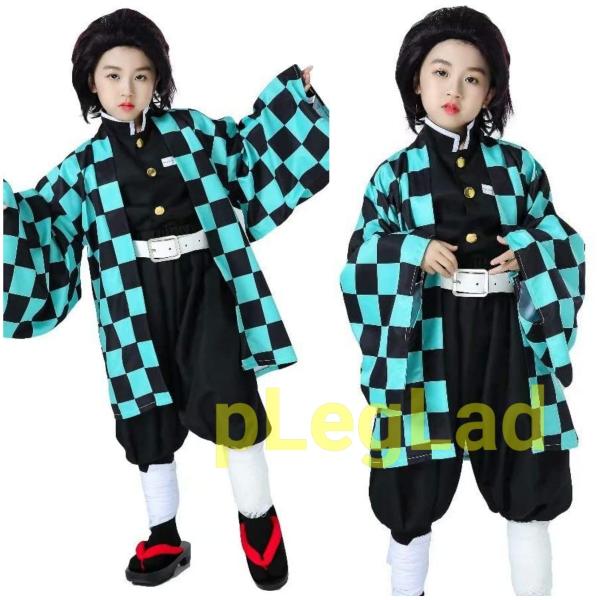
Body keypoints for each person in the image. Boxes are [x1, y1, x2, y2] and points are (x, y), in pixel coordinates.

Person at [3, 8, 329, 589]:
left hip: (204, 287)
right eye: (112, 75)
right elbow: (41, 223)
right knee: (144, 412)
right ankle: (164, 533)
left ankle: (259, 522)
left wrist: (293, 100)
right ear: (90, 81)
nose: (127, 88)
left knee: (231, 398)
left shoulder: (193, 132)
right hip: (131, 301)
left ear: (158, 79)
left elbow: (248, 152)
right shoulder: (83, 167)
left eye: (141, 74)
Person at [339, 5, 584, 596]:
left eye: (472, 78)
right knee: (413, 473)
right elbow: (360, 256)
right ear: (415, 81)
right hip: (424, 338)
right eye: (440, 73)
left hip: (509, 337)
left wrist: (529, 251)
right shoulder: (394, 175)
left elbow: (563, 240)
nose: (454, 90)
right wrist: (411, 252)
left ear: (491, 91)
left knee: (527, 467)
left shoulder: (520, 166)